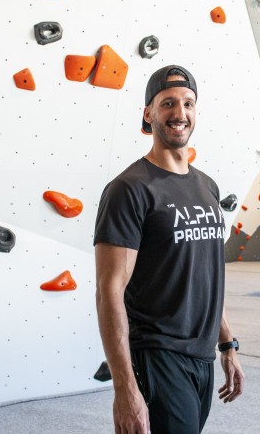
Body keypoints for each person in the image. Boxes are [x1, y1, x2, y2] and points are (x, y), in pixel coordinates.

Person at [94, 65, 244, 434]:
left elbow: (207, 275)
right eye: (168, 104)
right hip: (156, 354)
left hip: (202, 355)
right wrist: (124, 387)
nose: (180, 113)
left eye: (188, 103)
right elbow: (108, 290)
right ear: (148, 113)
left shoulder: (207, 187)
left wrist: (228, 344)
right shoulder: (129, 189)